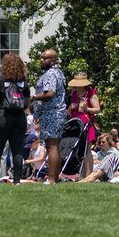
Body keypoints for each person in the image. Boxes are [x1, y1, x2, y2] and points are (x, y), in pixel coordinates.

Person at [0, 53, 28, 185]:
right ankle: (17, 181)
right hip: (19, 118)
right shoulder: (23, 82)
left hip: (2, 117)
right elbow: (26, 103)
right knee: (17, 151)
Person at [30, 48, 67, 183]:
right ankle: (54, 179)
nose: (41, 60)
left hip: (52, 113)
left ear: (53, 60)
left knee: (51, 147)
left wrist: (34, 97)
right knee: (54, 146)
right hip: (57, 113)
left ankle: (51, 179)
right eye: (41, 57)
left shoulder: (51, 73)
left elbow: (50, 93)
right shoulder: (58, 72)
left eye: (45, 58)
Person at [67, 71, 101, 176]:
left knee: (86, 150)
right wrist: (71, 108)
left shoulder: (91, 93)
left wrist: (87, 108)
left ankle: (88, 175)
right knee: (78, 150)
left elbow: (97, 109)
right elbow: (69, 111)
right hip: (75, 123)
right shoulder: (74, 93)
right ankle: (81, 175)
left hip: (87, 123)